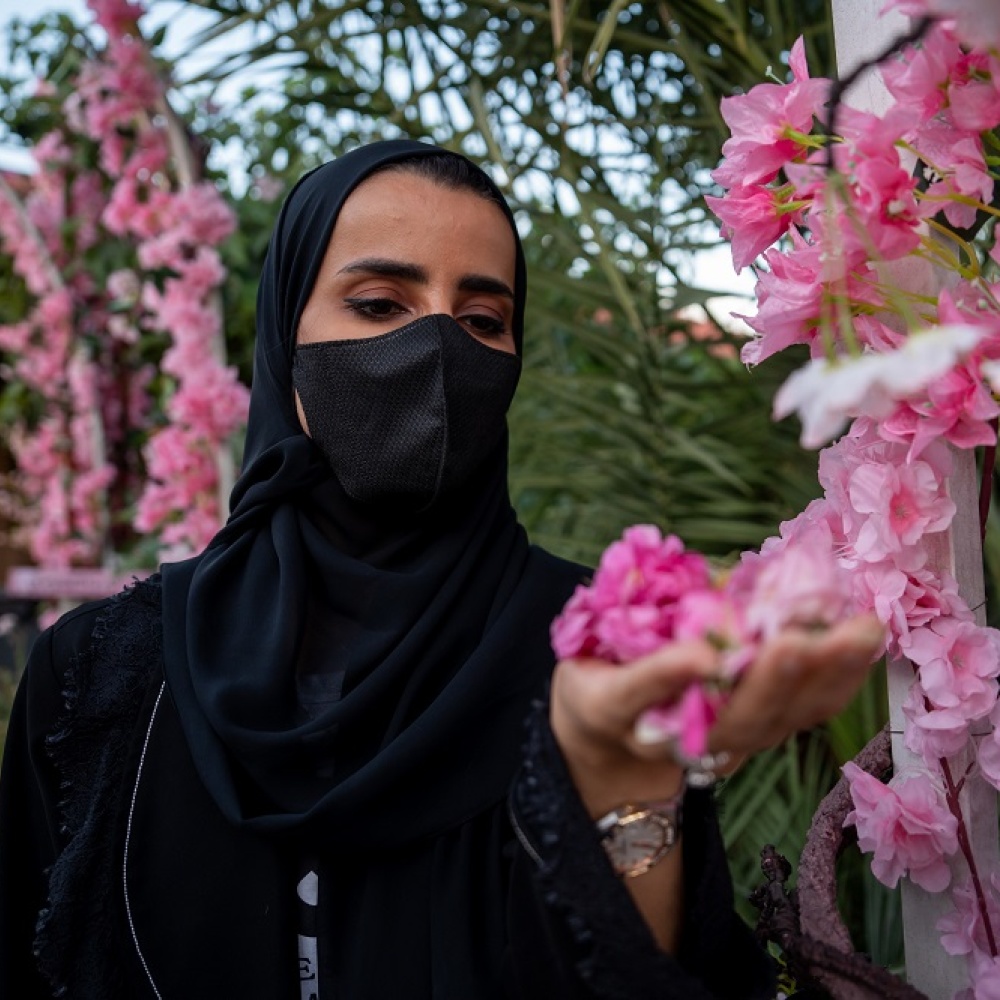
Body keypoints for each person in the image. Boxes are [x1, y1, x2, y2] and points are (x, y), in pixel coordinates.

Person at [0, 138, 883, 999]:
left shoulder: (599, 644)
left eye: (482, 320)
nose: (436, 350)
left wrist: (628, 786)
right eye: (380, 304)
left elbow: (663, 968)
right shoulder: (104, 678)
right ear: (284, 337)